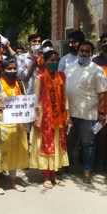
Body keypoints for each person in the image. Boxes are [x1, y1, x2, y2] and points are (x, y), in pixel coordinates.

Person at [0, 57, 29, 195]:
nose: (12, 71)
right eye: (9, 68)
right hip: (0, 128)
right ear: (3, 70)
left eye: (14, 68)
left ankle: (13, 181)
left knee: (14, 154)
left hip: (17, 127)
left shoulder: (20, 85)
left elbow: (25, 101)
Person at [65, 41, 107, 184]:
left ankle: (87, 171)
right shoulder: (69, 68)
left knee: (88, 143)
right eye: (81, 51)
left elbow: (102, 94)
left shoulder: (97, 70)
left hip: (88, 114)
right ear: (78, 51)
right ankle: (66, 165)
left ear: (91, 52)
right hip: (69, 113)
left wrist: (101, 113)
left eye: (87, 51)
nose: (83, 54)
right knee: (68, 141)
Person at [30, 50, 70, 189]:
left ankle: (54, 175)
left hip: (59, 117)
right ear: (45, 62)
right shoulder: (39, 78)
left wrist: (68, 114)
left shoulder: (61, 77)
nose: (54, 63)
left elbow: (65, 96)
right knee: (46, 146)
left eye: (56, 60)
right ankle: (46, 176)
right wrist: (36, 118)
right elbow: (35, 100)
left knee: (57, 145)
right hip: (45, 117)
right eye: (51, 60)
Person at [93, 33, 107, 171]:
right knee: (100, 135)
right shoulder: (96, 61)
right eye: (104, 41)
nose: (106, 44)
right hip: (100, 103)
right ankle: (99, 163)